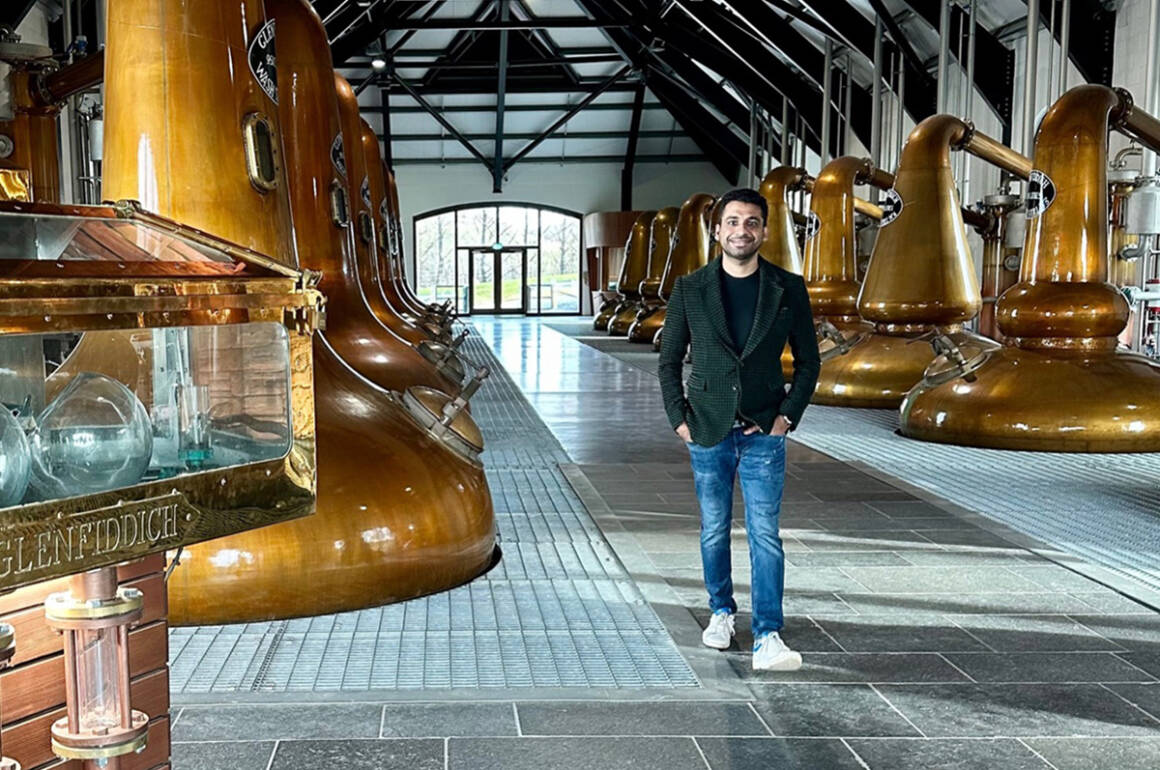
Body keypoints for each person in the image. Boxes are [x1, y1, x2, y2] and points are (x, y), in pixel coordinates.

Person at [658, 187, 820, 671]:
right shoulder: (690, 288)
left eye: (751, 222)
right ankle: (722, 612)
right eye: (732, 221)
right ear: (717, 229)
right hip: (707, 429)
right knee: (713, 530)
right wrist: (679, 419)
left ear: (764, 232)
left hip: (762, 432)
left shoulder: (787, 287)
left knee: (765, 534)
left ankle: (768, 632)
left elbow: (809, 362)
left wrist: (786, 417)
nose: (741, 230)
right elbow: (668, 360)